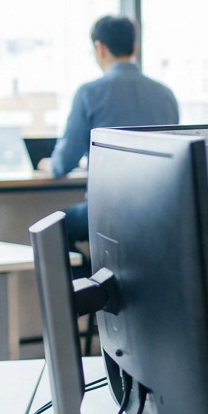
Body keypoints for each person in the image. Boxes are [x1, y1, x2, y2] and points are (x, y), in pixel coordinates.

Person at [48, 15, 179, 246]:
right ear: (134, 47)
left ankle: (90, 281)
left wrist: (50, 164)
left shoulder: (89, 93)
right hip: (160, 209)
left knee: (56, 228)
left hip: (110, 209)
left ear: (100, 48)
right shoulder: (165, 94)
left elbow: (64, 163)